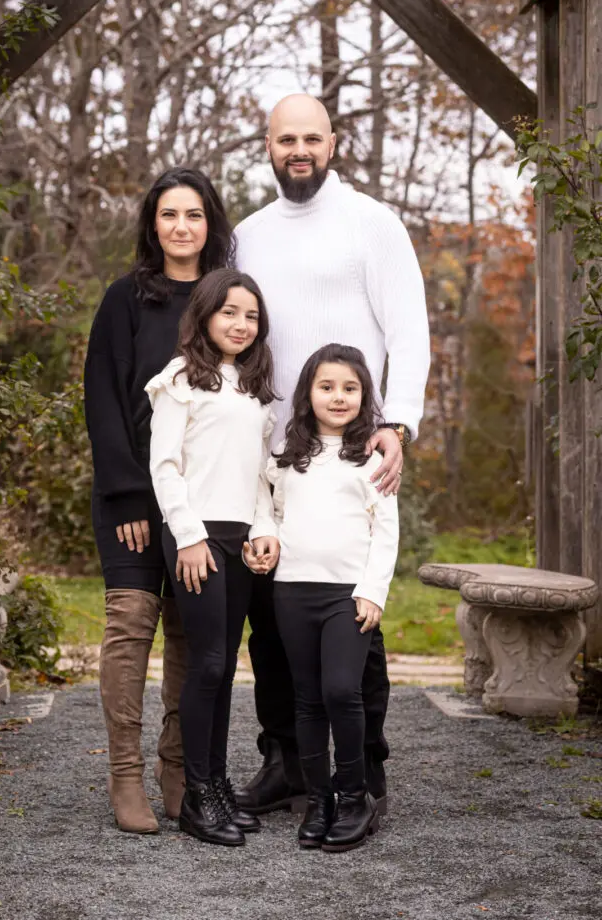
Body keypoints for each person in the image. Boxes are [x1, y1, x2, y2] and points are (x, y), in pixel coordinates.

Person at [234, 93, 430, 816]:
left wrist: (398, 424)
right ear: (268, 146)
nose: (300, 151)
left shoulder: (372, 224)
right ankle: (286, 758)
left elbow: (409, 330)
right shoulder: (247, 236)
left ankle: (366, 774)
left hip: (354, 449)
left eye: (312, 139)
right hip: (272, 456)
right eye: (287, 139)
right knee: (272, 619)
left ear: (334, 143)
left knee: (356, 621)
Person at [84, 167, 235, 834]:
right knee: (132, 624)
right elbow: (103, 402)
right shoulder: (125, 300)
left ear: (211, 224)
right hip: (133, 500)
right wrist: (128, 499)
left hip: (202, 504)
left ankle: (179, 771)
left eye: (194, 215)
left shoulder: (223, 303)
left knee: (187, 633)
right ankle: (125, 776)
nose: (181, 226)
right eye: (169, 214)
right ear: (153, 225)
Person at [245, 343, 398, 853]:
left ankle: (355, 797)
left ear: (364, 396)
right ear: (308, 394)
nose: (338, 397)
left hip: (347, 598)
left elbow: (386, 533)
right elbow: (265, 508)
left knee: (340, 691)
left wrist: (372, 592)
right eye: (327, 386)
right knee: (306, 699)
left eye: (350, 388)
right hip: (292, 592)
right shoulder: (288, 459)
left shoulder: (373, 461)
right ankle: (319, 800)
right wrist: (263, 542)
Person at [145, 269, 279, 847]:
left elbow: (257, 477)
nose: (240, 324)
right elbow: (165, 466)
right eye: (229, 312)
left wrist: (265, 528)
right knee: (205, 664)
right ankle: (197, 796)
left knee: (225, 666)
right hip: (196, 537)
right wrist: (189, 536)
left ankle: (219, 784)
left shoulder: (253, 390)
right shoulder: (179, 380)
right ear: (203, 315)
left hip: (239, 539)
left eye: (251, 315)